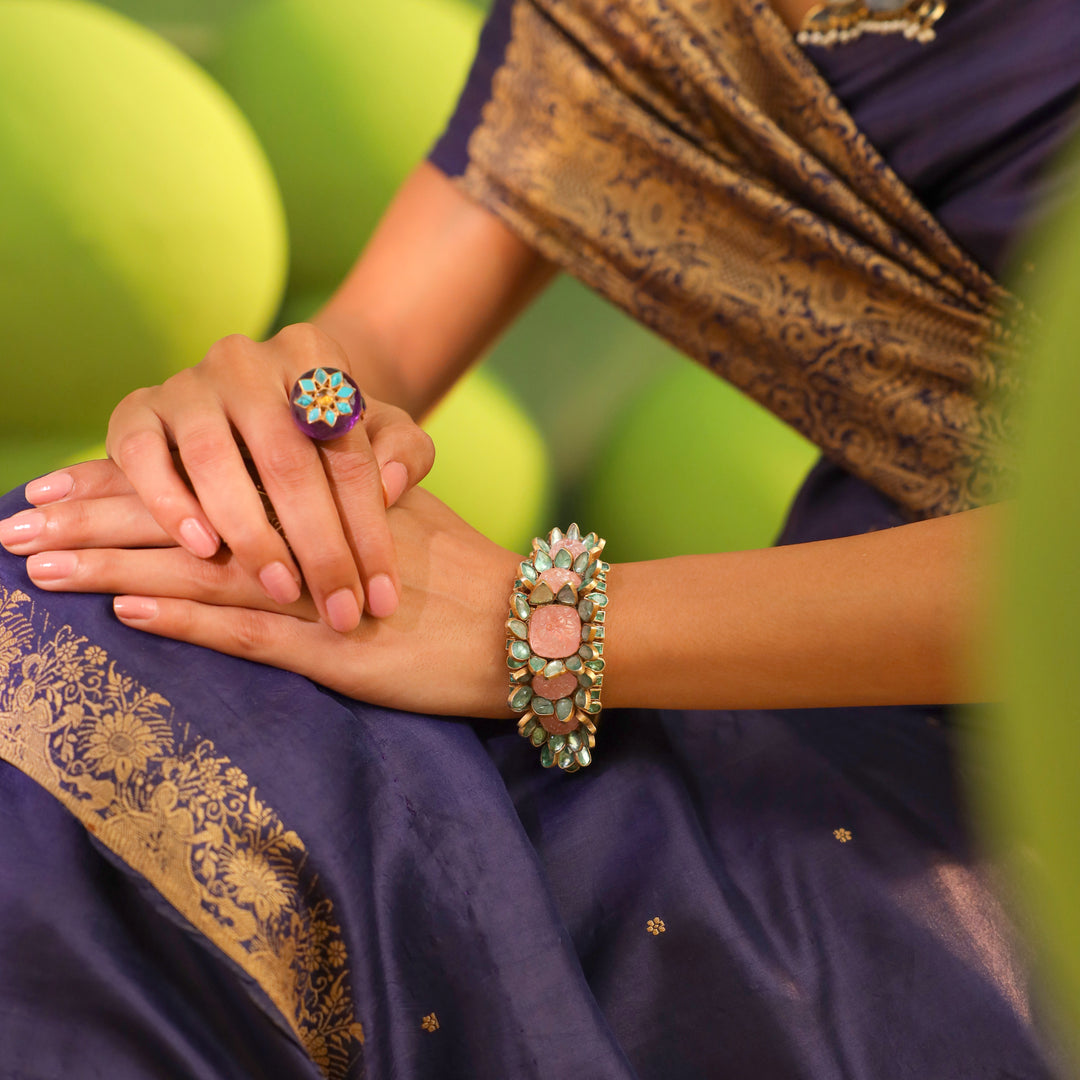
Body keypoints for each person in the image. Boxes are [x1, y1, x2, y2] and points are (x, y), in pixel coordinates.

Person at [0, 0, 1077, 1076]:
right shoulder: (617, 20)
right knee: (62, 598)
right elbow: (371, 348)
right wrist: (274, 419)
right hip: (765, 672)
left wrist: (542, 624)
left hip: (999, 809)